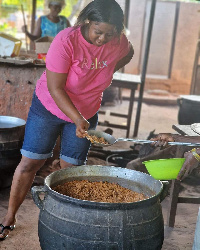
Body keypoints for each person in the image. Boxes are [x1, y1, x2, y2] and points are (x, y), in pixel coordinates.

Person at [0, 0, 134, 240]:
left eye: (110, 34)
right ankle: (9, 218)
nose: (103, 39)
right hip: (49, 107)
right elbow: (56, 88)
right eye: (98, 32)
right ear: (87, 22)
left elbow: (128, 51)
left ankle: (60, 221)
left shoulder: (119, 41)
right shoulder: (66, 40)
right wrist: (77, 119)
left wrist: (108, 70)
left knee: (70, 170)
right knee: (31, 163)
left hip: (87, 110)